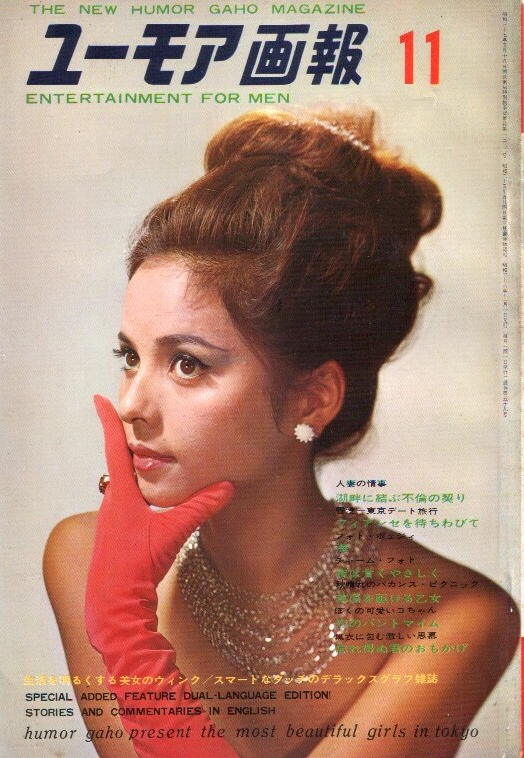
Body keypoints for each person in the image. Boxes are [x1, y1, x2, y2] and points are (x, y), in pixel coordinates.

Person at [44, 109, 519, 758]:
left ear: (312, 398)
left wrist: (125, 633)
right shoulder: (83, 557)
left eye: (188, 364)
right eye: (131, 356)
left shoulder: (453, 617)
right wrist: (114, 604)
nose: (130, 405)